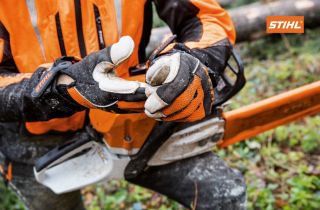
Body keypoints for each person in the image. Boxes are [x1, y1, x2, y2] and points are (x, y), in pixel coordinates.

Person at [0, 0, 246, 209]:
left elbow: (206, 18)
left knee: (224, 194)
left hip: (136, 111)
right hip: (34, 132)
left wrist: (193, 61)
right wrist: (62, 88)